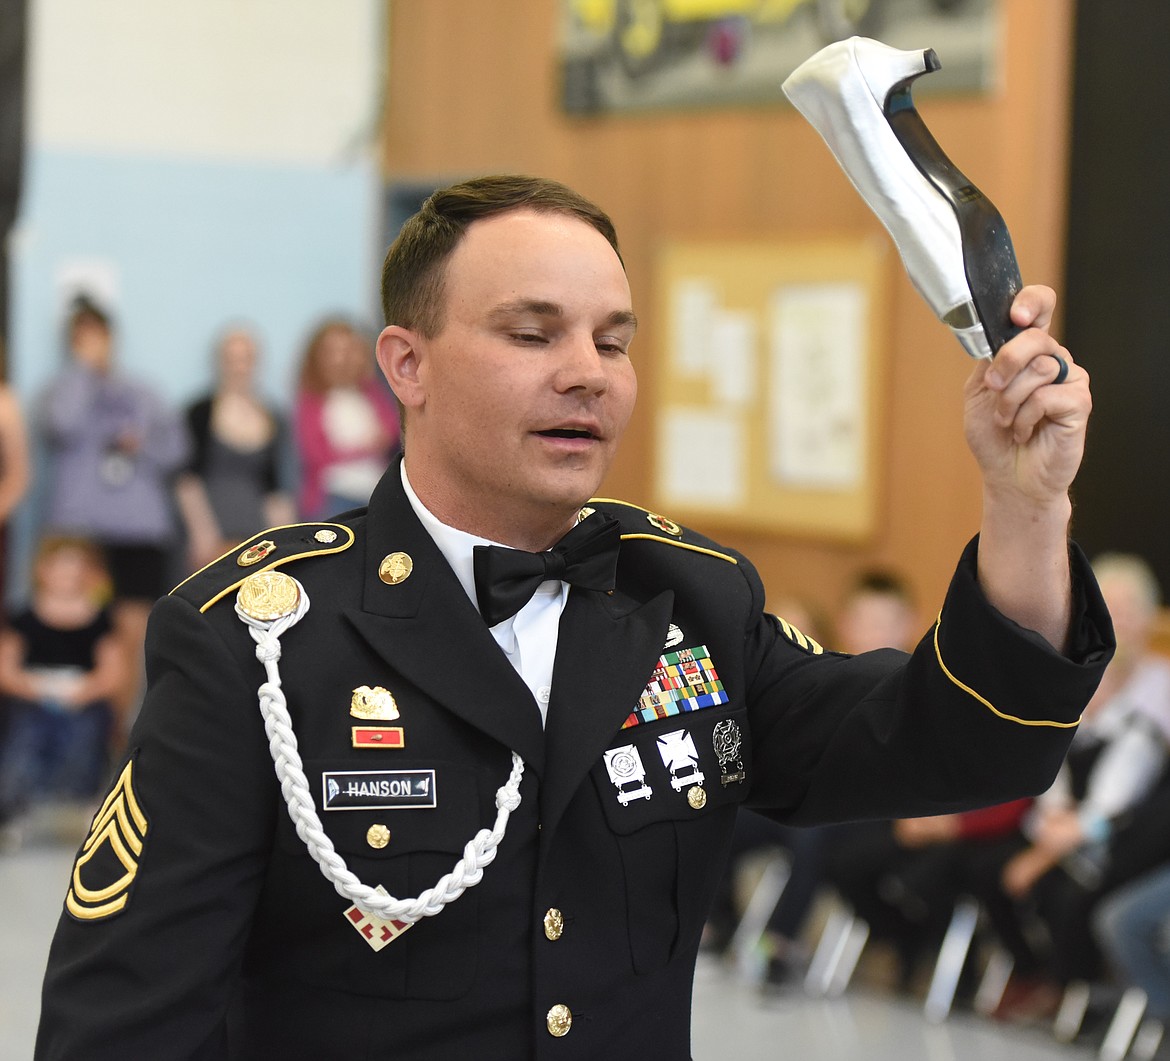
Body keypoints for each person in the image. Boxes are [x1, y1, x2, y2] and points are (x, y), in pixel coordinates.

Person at [34, 175, 1112, 1060]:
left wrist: (1025, 502)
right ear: (406, 365)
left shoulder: (689, 596)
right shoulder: (258, 639)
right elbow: (123, 1022)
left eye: (612, 338)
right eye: (531, 332)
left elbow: (962, 742)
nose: (585, 374)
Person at [969, 553, 1170, 1021]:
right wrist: (1052, 821)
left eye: (1128, 609)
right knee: (985, 871)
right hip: (1063, 820)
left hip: (1123, 832)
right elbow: (1049, 754)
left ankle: (1068, 992)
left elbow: (1129, 788)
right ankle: (1033, 975)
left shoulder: (1154, 699)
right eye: (1108, 605)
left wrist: (1054, 846)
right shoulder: (1073, 669)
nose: (1116, 618)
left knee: (1072, 895)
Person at [37, 295, 188, 735]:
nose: (92, 345)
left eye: (98, 336)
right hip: (81, 535)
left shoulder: (142, 391)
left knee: (131, 637)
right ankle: (80, 745)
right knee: (78, 635)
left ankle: (124, 741)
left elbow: (176, 452)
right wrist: (84, 372)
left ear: (111, 339)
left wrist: (142, 443)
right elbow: (61, 425)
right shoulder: (61, 389)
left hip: (138, 534)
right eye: (82, 338)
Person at [0, 535, 124, 844]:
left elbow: (114, 672)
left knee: (87, 734)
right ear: (42, 570)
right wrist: (36, 688)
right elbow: (6, 668)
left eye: (77, 567)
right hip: (32, 699)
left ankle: (90, 804)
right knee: (23, 737)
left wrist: (83, 691)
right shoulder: (24, 617)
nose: (69, 575)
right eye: (61, 567)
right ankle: (12, 810)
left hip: (83, 700)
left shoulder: (100, 620)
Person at [176, 326, 295, 572]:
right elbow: (187, 479)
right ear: (219, 361)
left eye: (246, 358)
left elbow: (275, 488)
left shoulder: (272, 415)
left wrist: (286, 543)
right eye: (231, 358)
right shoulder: (199, 411)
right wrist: (202, 534)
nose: (239, 366)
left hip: (257, 534)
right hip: (211, 531)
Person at [293, 315, 400, 520]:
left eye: (347, 350)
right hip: (336, 497)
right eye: (333, 351)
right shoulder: (311, 400)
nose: (341, 358)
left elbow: (393, 429)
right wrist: (365, 447)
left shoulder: (371, 392)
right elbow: (316, 455)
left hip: (375, 491)